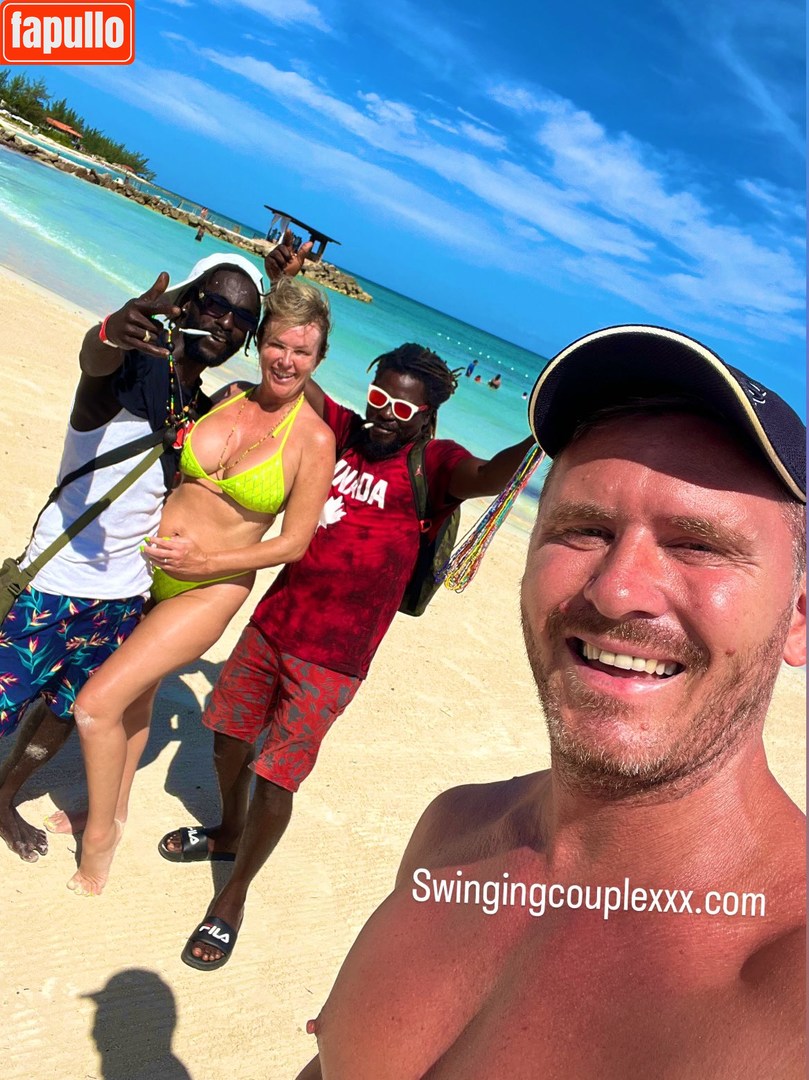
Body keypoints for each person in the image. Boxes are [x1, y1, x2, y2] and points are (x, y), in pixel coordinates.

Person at [298, 325, 807, 1079]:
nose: (616, 590)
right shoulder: (454, 830)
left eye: (697, 545)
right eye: (584, 530)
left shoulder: (788, 986)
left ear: (798, 616)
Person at [161, 342, 535, 970]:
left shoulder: (435, 464)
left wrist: (543, 432)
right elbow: (296, 372)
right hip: (273, 625)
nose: (384, 413)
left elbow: (491, 474)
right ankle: (227, 830)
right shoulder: (344, 432)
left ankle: (233, 896)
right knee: (227, 738)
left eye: (402, 408)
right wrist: (289, 315)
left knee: (278, 777)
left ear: (427, 415)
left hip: (333, 659)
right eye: (379, 396)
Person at [67, 277, 335, 897]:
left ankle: (100, 841)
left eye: (302, 351)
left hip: (210, 588)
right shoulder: (230, 395)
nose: (286, 361)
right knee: (138, 696)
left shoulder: (313, 440)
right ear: (259, 342)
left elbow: (293, 544)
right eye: (277, 344)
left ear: (318, 359)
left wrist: (208, 559)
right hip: (145, 567)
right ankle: (113, 808)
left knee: (95, 706)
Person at [0, 251, 267, 863]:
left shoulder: (201, 408)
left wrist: (274, 288)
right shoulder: (130, 365)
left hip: (123, 596)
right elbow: (94, 359)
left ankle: (3, 795)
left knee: (64, 712)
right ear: (186, 302)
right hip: (54, 580)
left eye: (241, 318)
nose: (225, 321)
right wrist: (109, 330)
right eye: (214, 303)